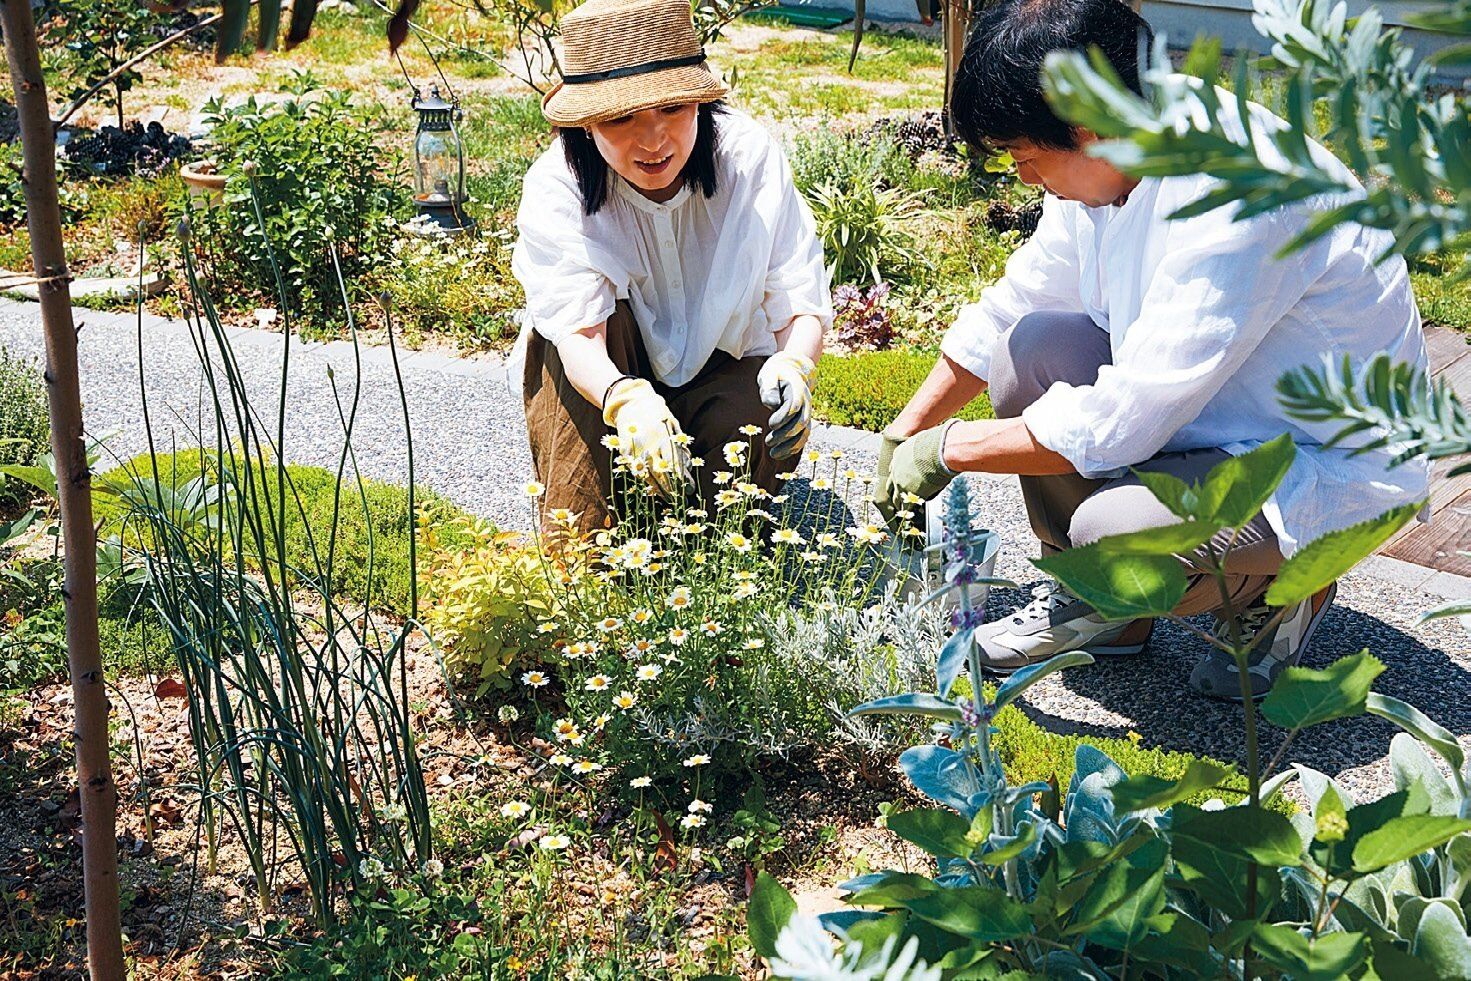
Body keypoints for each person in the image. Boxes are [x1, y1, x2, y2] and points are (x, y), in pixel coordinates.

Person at [876, 0, 1428, 699]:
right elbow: (1011, 307)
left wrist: (949, 449)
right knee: (1030, 348)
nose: (1022, 178)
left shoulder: (1241, 192)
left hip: (1319, 461)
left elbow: (1127, 417)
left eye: (1025, 157)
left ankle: (1289, 589)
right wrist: (907, 429)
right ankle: (1104, 612)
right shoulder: (1111, 148)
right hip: (1216, 415)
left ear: (1086, 129)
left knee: (1113, 532)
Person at [511, 0, 831, 533]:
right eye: (620, 118)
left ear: (701, 103)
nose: (653, 140)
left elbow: (796, 290)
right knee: (590, 545)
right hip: (606, 375)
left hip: (723, 362)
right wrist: (624, 400)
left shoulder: (747, 159)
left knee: (726, 526)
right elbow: (576, 335)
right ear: (586, 124)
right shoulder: (558, 186)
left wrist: (796, 364)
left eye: (673, 110)